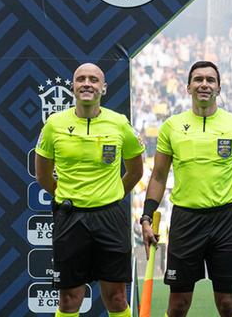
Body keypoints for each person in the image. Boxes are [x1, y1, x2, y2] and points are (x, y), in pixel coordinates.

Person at [140, 60, 232, 317]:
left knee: (228, 303)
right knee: (178, 304)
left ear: (219, 87)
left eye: (210, 80)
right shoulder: (171, 126)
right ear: (188, 87)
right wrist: (146, 217)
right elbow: (159, 176)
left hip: (224, 220)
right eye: (198, 79)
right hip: (186, 220)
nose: (204, 84)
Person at [34, 63, 145, 317]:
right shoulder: (54, 124)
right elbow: (42, 174)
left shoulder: (119, 124)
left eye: (94, 80)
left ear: (103, 88)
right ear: (72, 86)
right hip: (70, 218)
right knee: (69, 300)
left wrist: (112, 194)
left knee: (116, 298)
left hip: (111, 218)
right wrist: (69, 196)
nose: (87, 83)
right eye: (81, 79)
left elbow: (135, 171)